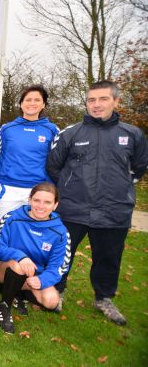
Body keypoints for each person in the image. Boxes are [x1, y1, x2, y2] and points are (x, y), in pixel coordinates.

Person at [47, 80, 148, 325]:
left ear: (115, 101)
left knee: (109, 257)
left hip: (114, 211)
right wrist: (71, 189)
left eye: (103, 99)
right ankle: (57, 291)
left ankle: (103, 297)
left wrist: (119, 189)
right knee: (62, 254)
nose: (96, 104)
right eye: (92, 100)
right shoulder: (71, 132)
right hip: (73, 209)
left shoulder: (132, 134)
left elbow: (139, 168)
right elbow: (53, 167)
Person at [0, 182, 70, 334]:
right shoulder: (12, 218)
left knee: (51, 301)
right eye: (37, 200)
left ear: (55, 205)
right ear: (30, 200)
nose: (41, 206)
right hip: (4, 272)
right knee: (19, 266)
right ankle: (5, 307)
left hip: (32, 276)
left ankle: (19, 294)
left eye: (47, 202)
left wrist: (42, 280)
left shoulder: (60, 232)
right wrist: (20, 257)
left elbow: (59, 266)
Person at [0, 85, 59, 218]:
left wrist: (50, 188)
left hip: (39, 190)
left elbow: (55, 162)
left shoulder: (52, 130)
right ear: (21, 104)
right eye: (28, 100)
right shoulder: (6, 129)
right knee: (3, 230)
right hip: (8, 189)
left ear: (43, 105)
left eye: (37, 100)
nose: (32, 103)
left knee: (33, 232)